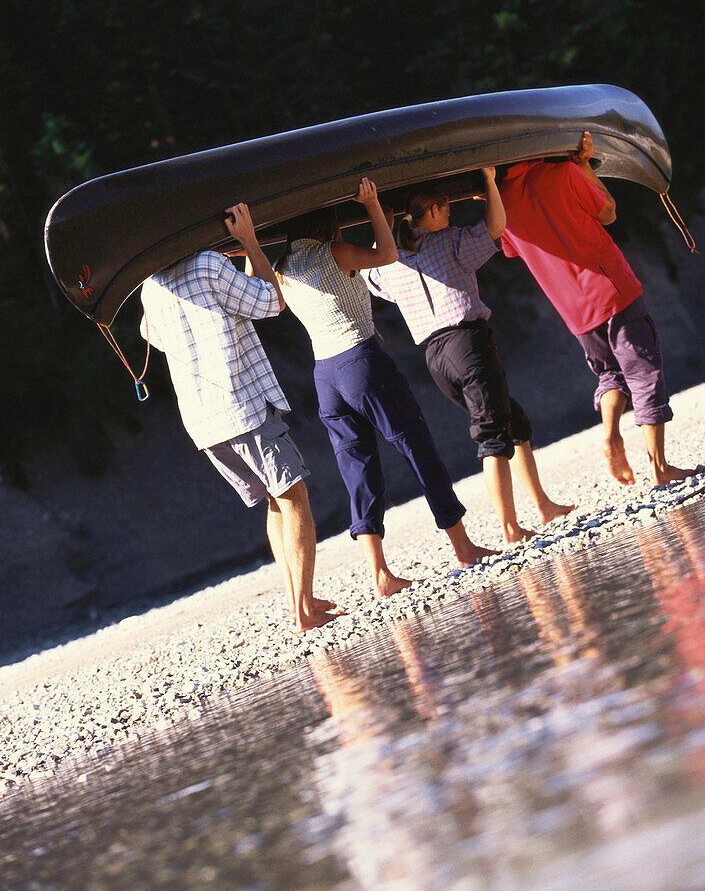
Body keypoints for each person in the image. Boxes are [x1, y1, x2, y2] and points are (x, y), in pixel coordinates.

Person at [275, 177, 496, 597]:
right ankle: (463, 546)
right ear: (329, 224)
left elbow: (265, 287)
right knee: (417, 446)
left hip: (325, 377)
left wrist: (248, 241)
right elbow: (388, 254)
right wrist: (374, 206)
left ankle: (380, 573)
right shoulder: (334, 251)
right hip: (361, 362)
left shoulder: (285, 268)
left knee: (357, 469)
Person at [140, 201, 339, 632]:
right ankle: (303, 611)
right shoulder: (209, 264)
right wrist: (249, 242)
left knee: (274, 499)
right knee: (295, 497)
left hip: (204, 422)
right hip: (242, 405)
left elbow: (148, 335)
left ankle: (297, 599)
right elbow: (271, 303)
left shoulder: (151, 286)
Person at [365, 167, 572, 544]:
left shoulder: (391, 263)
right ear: (430, 212)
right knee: (492, 433)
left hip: (435, 358)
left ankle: (541, 505)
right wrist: (491, 182)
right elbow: (494, 228)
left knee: (514, 422)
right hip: (467, 344)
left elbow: (371, 280)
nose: (449, 213)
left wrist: (386, 223)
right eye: (443, 208)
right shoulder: (450, 241)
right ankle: (510, 528)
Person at [497, 131, 694, 486]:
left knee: (610, 375)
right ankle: (660, 468)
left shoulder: (503, 203)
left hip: (573, 309)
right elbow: (608, 212)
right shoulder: (562, 174)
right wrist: (584, 164)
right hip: (611, 288)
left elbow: (511, 249)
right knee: (644, 372)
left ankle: (611, 434)